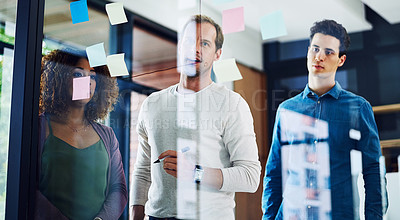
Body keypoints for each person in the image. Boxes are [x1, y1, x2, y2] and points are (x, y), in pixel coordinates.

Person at [130, 15, 261, 220]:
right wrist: (135, 214)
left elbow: (250, 177)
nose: (196, 48)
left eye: (205, 43)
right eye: (190, 41)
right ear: (180, 46)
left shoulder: (232, 104)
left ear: (217, 54)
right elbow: (143, 170)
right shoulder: (152, 103)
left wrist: (195, 173)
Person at [262, 20, 388, 219]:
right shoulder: (286, 110)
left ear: (341, 60)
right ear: (307, 52)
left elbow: (373, 172)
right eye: (315, 49)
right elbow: (274, 172)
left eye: (329, 52)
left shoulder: (358, 108)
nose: (319, 56)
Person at [35, 49, 128, 220]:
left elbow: (119, 188)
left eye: (92, 76)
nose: (87, 82)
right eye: (78, 74)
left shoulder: (107, 135)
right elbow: (27, 189)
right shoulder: (39, 126)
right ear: (60, 79)